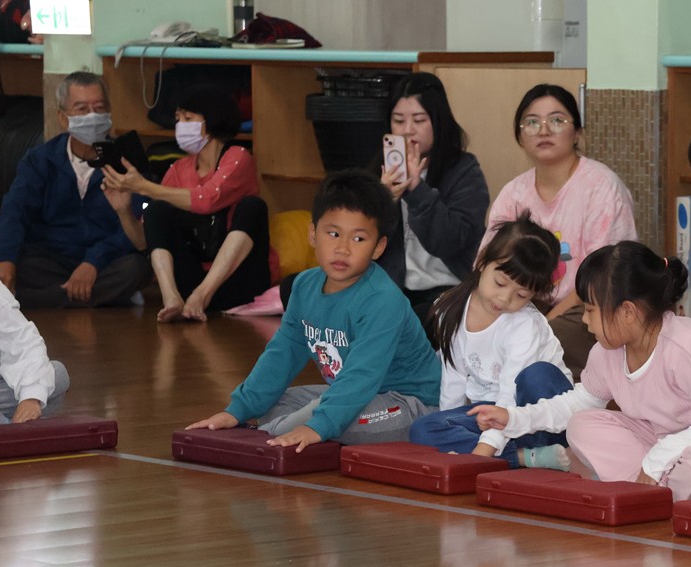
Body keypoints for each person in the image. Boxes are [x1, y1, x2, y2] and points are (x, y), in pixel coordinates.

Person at [471, 242, 691, 499]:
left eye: (590, 310)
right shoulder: (607, 351)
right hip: (667, 441)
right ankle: (650, 490)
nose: (585, 321)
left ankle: (649, 487)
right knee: (582, 424)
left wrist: (658, 457)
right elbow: (576, 404)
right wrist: (514, 419)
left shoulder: (686, 344)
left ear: (627, 312)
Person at [187, 169, 441, 450]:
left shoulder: (382, 299)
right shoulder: (304, 285)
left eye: (358, 239)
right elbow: (282, 353)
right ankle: (292, 427)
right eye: (333, 234)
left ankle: (290, 430)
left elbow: (362, 376)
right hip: (350, 394)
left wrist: (318, 425)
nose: (342, 248)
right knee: (275, 403)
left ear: (379, 247)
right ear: (312, 233)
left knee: (333, 419)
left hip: (408, 404)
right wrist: (237, 410)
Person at [482, 84, 637, 380]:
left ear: (577, 133)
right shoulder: (513, 193)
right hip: (523, 300)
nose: (543, 130)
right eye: (531, 122)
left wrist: (542, 323)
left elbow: (604, 275)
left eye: (556, 120)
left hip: (588, 305)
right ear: (520, 137)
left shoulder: (602, 187)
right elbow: (487, 263)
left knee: (535, 344)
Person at [408, 213, 573, 467]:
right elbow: (453, 379)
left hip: (539, 414)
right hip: (490, 412)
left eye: (521, 295)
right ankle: (525, 458)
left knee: (537, 375)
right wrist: (448, 421)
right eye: (500, 283)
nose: (505, 299)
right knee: (423, 430)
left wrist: (480, 455)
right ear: (483, 261)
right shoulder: (448, 308)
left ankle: (523, 453)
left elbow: (509, 396)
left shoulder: (524, 325)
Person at [103, 88, 270, 323]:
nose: (180, 125)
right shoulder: (178, 169)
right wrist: (123, 210)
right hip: (190, 282)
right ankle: (171, 298)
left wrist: (145, 187)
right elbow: (144, 241)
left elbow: (207, 200)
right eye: (178, 119)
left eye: (188, 118)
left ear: (212, 121)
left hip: (237, 283)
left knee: (253, 207)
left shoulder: (238, 157)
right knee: (156, 210)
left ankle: (203, 295)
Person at [0, 71, 151, 308]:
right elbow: (15, 210)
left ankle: (44, 299)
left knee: (138, 268)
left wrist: (92, 262)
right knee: (18, 263)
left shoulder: (125, 162)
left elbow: (136, 226)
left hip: (105, 261)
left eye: (99, 108)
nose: (92, 116)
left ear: (109, 112)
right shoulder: (40, 160)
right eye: (82, 109)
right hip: (51, 258)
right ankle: (94, 297)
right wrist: (5, 259)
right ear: (63, 118)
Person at [378, 72, 490, 323]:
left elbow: (449, 241)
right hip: (393, 291)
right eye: (398, 120)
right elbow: (364, 243)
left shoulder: (464, 171)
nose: (407, 130)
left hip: (449, 290)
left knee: (417, 322)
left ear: (438, 122)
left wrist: (417, 191)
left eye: (419, 120)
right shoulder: (380, 170)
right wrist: (382, 201)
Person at [0, 276, 69, 424]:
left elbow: (24, 345)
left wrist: (30, 398)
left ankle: (5, 424)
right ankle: (5, 425)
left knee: (58, 374)